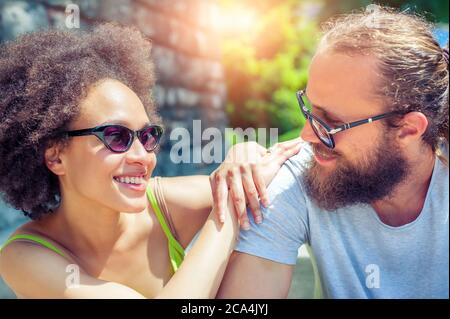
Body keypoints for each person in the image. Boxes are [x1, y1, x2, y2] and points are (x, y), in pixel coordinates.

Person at [0, 23, 302, 298]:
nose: (143, 156)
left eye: (146, 136)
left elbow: (273, 175)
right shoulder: (23, 257)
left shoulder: (170, 205)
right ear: (55, 156)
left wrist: (243, 155)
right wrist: (229, 211)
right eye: (116, 136)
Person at [217, 6, 449, 299]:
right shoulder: (301, 175)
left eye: (334, 122)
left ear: (408, 129)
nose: (306, 135)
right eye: (309, 108)